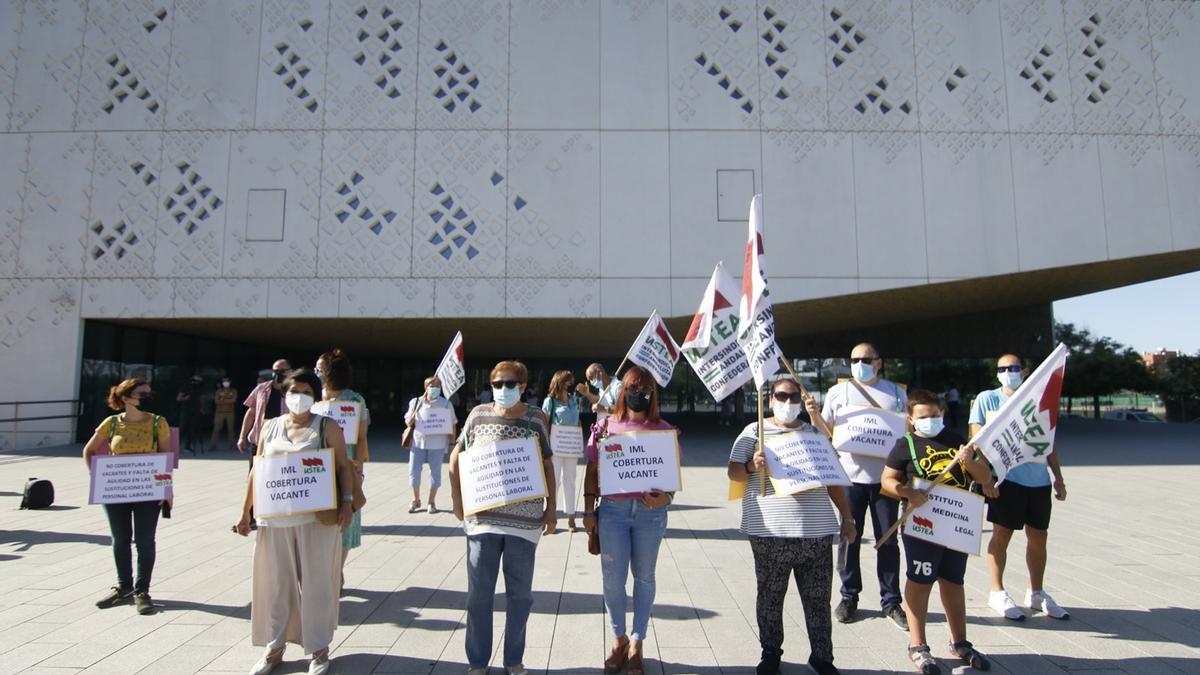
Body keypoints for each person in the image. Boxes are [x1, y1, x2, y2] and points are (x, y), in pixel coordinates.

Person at [726, 377, 856, 675]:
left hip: (816, 531)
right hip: (769, 530)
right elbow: (733, 473)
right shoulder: (753, 432)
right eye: (781, 396)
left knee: (818, 599)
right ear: (769, 400)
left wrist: (847, 517)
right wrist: (750, 467)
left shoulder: (815, 434)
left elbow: (833, 479)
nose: (788, 402)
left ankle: (822, 657)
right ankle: (770, 653)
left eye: (793, 396)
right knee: (770, 597)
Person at [234, 369, 354, 675]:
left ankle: (319, 648)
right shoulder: (270, 427)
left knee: (317, 583)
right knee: (276, 585)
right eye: (293, 391)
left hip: (316, 520)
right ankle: (275, 646)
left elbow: (342, 467)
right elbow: (256, 470)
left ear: (315, 396)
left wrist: (348, 503)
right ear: (284, 395)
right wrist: (245, 512)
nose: (298, 396)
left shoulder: (327, 426)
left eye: (305, 391)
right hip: (275, 520)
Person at [449, 360, 555, 675]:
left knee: (520, 597)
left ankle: (514, 661)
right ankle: (478, 662)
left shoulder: (537, 419)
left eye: (510, 384)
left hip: (524, 524)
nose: (503, 390)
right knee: (478, 597)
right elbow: (457, 456)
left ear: (523, 386)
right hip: (483, 521)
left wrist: (551, 510)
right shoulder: (478, 415)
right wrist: (457, 498)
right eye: (497, 384)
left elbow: (547, 464)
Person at [882, 389, 996, 675]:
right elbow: (886, 481)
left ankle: (959, 642)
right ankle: (917, 645)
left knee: (954, 581)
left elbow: (985, 477)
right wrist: (906, 491)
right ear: (911, 418)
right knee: (920, 581)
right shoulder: (904, 445)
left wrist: (969, 461)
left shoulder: (959, 441)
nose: (930, 420)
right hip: (922, 527)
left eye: (935, 415)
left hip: (957, 526)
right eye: (923, 417)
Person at [582, 366, 675, 675]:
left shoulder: (664, 430)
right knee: (613, 579)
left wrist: (666, 498)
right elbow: (592, 471)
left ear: (653, 396)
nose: (639, 394)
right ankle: (618, 638)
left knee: (645, 577)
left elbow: (672, 479)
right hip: (613, 513)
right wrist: (586, 511)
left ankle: (638, 640)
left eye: (645, 390)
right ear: (623, 392)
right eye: (633, 389)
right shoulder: (606, 427)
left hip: (650, 515)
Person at [970, 354, 1069, 621]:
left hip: (1038, 481)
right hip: (1005, 481)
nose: (1007, 372)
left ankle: (1036, 592)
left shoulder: (1038, 400)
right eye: (1001, 368)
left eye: (1012, 368)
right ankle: (997, 591)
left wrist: (1057, 477)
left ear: (1024, 371)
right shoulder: (987, 399)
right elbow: (976, 440)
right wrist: (985, 479)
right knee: (1002, 535)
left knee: (1039, 536)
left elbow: (1049, 442)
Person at [820, 342, 909, 629]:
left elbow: (907, 433)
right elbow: (826, 430)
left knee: (888, 540)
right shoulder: (838, 392)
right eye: (855, 359)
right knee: (849, 538)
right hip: (849, 478)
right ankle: (849, 596)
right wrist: (812, 415)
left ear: (879, 362)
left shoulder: (897, 393)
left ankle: (891, 600)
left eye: (866, 359)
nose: (860, 364)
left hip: (886, 480)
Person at [82, 378, 172, 615]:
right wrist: (97, 477)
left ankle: (142, 591)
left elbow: (165, 457)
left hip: (147, 490)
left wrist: (166, 490)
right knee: (120, 539)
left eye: (148, 393)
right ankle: (124, 587)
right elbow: (89, 451)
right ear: (125, 397)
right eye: (142, 394)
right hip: (116, 490)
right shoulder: (111, 424)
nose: (147, 397)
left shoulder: (157, 423)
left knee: (145, 540)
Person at [316, 348, 371, 588]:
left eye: (319, 368)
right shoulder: (315, 398)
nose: (316, 372)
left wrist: (359, 468)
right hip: (318, 467)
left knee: (347, 520)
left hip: (346, 464)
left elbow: (361, 437)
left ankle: (336, 572)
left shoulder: (355, 400)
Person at [404, 376, 457, 514]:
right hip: (417, 443)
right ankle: (416, 499)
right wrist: (410, 420)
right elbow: (408, 420)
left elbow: (452, 424)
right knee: (414, 472)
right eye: (432, 386)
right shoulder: (416, 402)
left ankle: (431, 501)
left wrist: (452, 443)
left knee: (435, 473)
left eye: (438, 386)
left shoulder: (446, 404)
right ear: (425, 388)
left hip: (437, 445)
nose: (435, 388)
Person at [542, 370, 584, 532]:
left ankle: (571, 518)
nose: (571, 384)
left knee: (570, 481)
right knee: (554, 482)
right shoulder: (550, 402)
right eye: (568, 381)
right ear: (560, 382)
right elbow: (544, 425)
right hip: (555, 447)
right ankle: (550, 516)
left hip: (571, 446)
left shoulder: (573, 400)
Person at [177, 374, 203, 454]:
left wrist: (201, 408)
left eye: (198, 381)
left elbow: (200, 398)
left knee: (192, 429)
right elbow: (178, 398)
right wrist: (185, 398)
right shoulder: (185, 387)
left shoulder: (199, 388)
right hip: (186, 410)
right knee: (183, 428)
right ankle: (176, 446)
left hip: (195, 410)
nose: (196, 382)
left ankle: (187, 446)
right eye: (195, 380)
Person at [211, 376, 239, 451]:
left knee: (231, 430)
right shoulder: (218, 391)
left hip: (230, 413)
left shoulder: (233, 391)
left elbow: (233, 400)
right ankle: (213, 445)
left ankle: (232, 445)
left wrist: (223, 399)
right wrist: (227, 399)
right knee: (216, 429)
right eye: (224, 381)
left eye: (227, 381)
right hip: (219, 413)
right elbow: (217, 401)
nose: (226, 383)